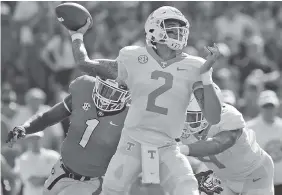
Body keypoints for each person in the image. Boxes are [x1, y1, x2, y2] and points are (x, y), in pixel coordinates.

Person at [68, 6, 222, 195]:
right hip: (132, 139)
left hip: (167, 145)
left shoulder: (196, 66)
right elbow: (84, 64)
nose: (179, 33)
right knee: (111, 190)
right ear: (154, 29)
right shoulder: (133, 56)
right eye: (172, 28)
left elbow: (214, 118)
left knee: (188, 190)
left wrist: (206, 77)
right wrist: (77, 35)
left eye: (181, 28)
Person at [7, 75, 131, 195]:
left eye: (114, 94)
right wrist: (24, 128)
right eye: (105, 90)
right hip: (61, 170)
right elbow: (47, 117)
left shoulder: (129, 118)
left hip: (89, 181)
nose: (106, 98)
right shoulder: (84, 93)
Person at [179, 83, 274, 195]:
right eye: (187, 115)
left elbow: (217, 145)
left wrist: (180, 149)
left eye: (194, 115)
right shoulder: (180, 124)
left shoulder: (229, 116)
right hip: (222, 177)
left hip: (253, 173)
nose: (189, 121)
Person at [247, 90, 282, 195]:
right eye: (266, 107)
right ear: (260, 107)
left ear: (277, 106)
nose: (269, 110)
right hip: (261, 183)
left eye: (271, 106)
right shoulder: (250, 128)